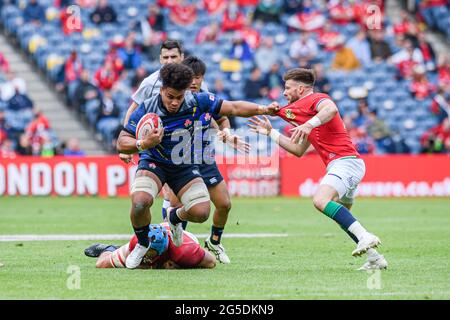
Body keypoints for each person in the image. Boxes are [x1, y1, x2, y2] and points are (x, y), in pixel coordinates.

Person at [116, 63, 278, 269]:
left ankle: (175, 217)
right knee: (140, 202)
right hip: (154, 162)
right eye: (170, 96)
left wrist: (264, 109)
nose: (175, 102)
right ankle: (142, 242)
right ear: (162, 90)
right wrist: (143, 144)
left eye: (179, 97)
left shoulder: (197, 100)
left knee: (201, 213)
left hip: (184, 164)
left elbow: (233, 107)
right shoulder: (147, 107)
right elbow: (122, 142)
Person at [248, 68, 387, 270]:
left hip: (346, 162)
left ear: (301, 89)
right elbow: (297, 150)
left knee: (320, 200)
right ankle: (375, 258)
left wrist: (309, 124)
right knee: (342, 217)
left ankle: (366, 236)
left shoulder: (318, 99)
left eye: (287, 88)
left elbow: (330, 109)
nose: (284, 92)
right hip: (344, 164)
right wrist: (271, 133)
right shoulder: (304, 116)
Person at [162, 56, 249, 264]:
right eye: (190, 77)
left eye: (198, 78)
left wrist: (226, 133)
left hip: (205, 159)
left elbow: (222, 117)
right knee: (178, 208)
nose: (194, 82)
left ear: (202, 79)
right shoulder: (175, 102)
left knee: (224, 204)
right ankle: (173, 250)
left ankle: (214, 241)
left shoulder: (207, 100)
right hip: (180, 161)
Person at [85, 223, 216, 269]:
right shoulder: (137, 242)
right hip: (154, 238)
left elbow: (212, 262)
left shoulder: (185, 251)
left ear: (160, 251)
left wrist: (182, 265)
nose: (144, 256)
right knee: (103, 264)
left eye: (149, 252)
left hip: (182, 242)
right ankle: (112, 247)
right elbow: (100, 264)